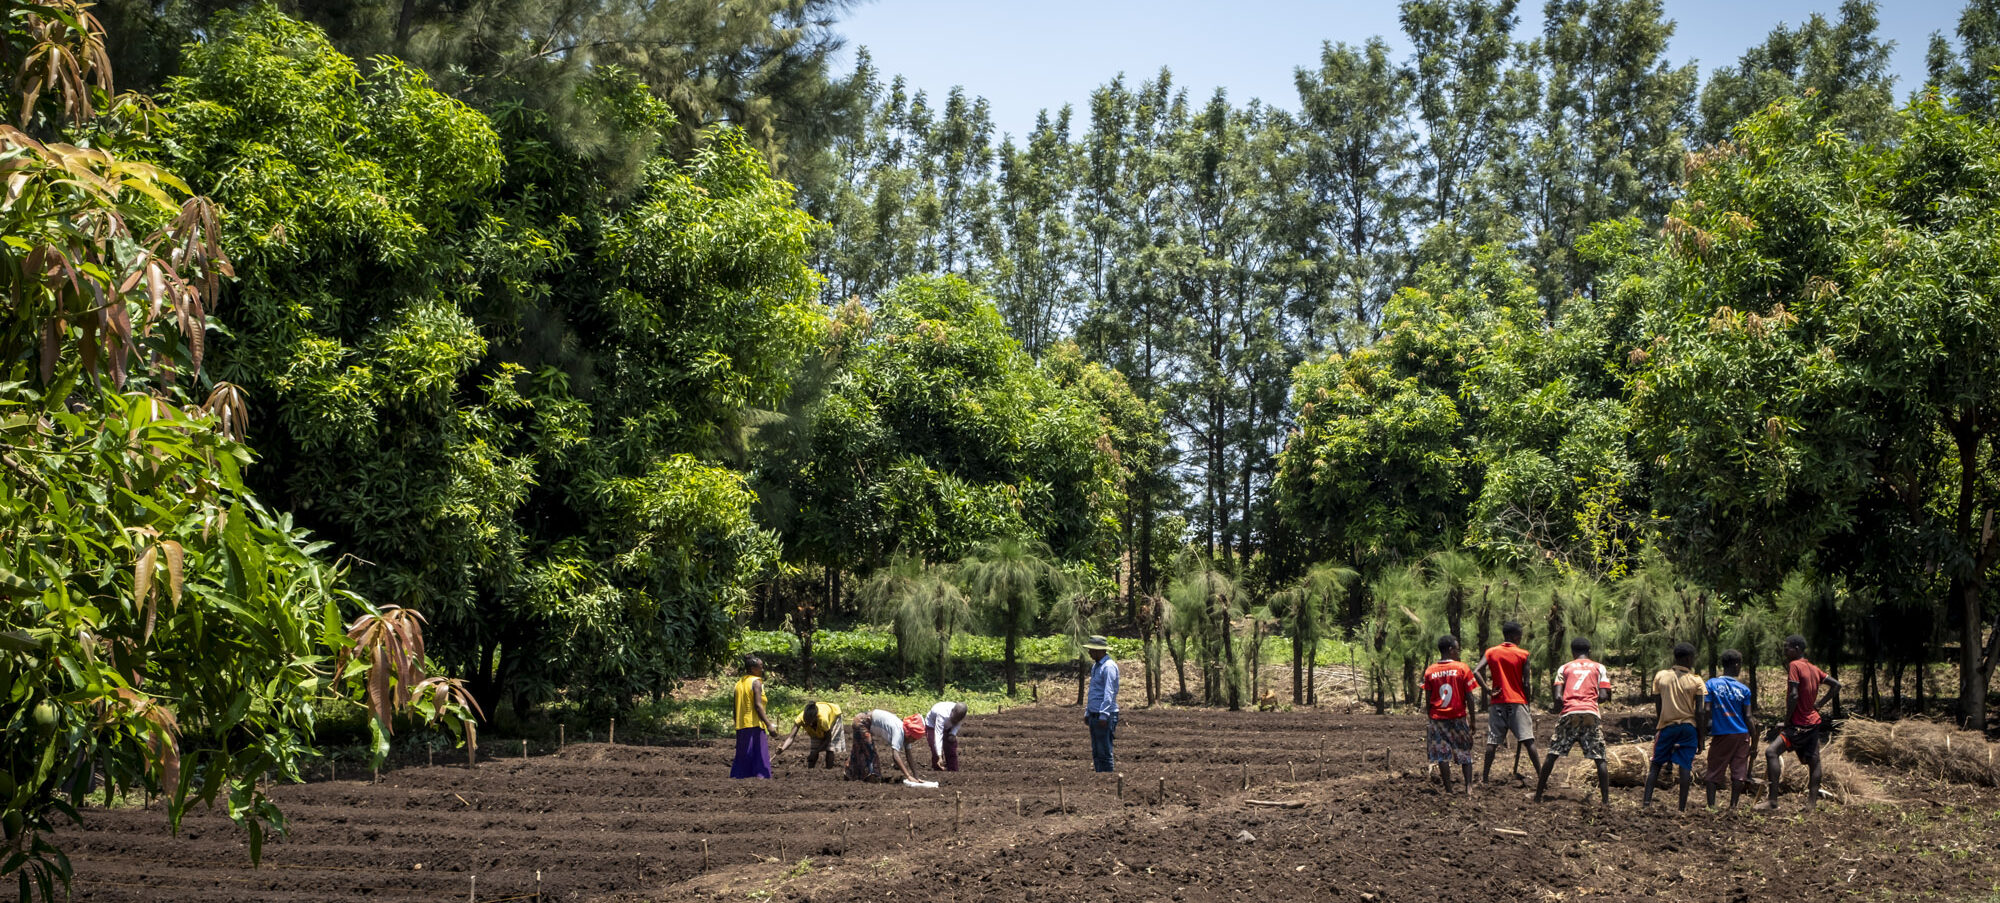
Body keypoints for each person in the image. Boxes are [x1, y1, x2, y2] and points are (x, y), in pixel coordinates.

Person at [1757, 635, 1840, 811]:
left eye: (1787, 647)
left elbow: (1794, 695)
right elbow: (1836, 685)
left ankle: (1772, 801)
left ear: (1796, 648)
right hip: (1813, 723)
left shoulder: (1795, 666)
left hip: (1798, 725)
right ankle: (1811, 804)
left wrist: (1787, 721)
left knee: (1771, 752)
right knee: (1814, 762)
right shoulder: (1813, 668)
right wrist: (1819, 705)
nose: (1785, 650)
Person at [1534, 636, 1612, 805]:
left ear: (1572, 652)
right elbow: (1604, 695)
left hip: (1569, 712)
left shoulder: (1564, 668)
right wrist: (1589, 702)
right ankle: (1606, 801)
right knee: (1600, 758)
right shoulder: (1599, 667)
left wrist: (1570, 703)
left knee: (1553, 754)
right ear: (1589, 652)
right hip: (1590, 712)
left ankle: (1538, 796)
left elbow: (1557, 696)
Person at [1643, 642, 1707, 810]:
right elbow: (1700, 712)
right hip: (1688, 727)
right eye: (1693, 658)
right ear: (1688, 658)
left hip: (1667, 726)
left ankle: (1646, 803)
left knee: (1656, 764)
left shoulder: (1661, 676)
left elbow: (1658, 703)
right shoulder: (1696, 680)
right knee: (1685, 766)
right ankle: (1681, 808)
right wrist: (1701, 738)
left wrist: (1661, 724)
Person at [1473, 621, 1539, 782]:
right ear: (1516, 636)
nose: (1521, 639)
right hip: (1517, 701)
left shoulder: (1491, 652)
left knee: (1492, 741)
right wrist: (1527, 703)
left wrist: (1488, 690)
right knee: (1528, 740)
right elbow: (1526, 683)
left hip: (1497, 702)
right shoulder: (1523, 654)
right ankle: (1540, 775)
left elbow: (1476, 671)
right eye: (1520, 636)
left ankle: (1485, 778)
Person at [1421, 635, 1482, 796]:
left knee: (1442, 754)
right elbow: (1469, 697)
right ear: (1450, 650)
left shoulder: (1430, 671)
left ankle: (1449, 789)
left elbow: (1428, 698)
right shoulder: (1462, 668)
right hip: (1458, 717)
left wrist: (1430, 717)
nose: (1457, 652)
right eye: (1456, 649)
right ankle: (1468, 788)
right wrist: (1473, 721)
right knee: (1464, 752)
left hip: (1437, 718)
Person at [1702, 649, 1757, 808]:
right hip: (1741, 734)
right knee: (1739, 771)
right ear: (1736, 664)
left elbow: (1706, 709)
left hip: (1722, 733)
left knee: (1713, 770)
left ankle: (1711, 806)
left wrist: (1705, 727)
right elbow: (1748, 716)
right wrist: (1753, 738)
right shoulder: (1744, 689)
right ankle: (1733, 806)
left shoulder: (1711, 684)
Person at [729, 656, 775, 779]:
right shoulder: (756, 682)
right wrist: (769, 724)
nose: (762, 669)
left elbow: (734, 707)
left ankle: (738, 778)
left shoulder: (739, 683)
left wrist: (736, 722)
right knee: (760, 756)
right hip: (754, 724)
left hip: (741, 724)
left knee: (743, 755)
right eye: (760, 666)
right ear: (753, 668)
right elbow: (758, 705)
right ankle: (761, 777)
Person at [845, 709, 919, 783]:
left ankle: (850, 773)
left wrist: (916, 776)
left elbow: (909, 755)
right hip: (862, 722)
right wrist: (908, 776)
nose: (913, 741)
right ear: (910, 735)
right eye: (913, 739)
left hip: (862, 720)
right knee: (870, 754)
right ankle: (871, 780)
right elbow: (895, 756)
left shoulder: (906, 733)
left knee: (859, 749)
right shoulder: (899, 731)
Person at [1084, 635, 1120, 772]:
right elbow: (1093, 691)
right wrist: (1088, 711)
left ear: (1099, 650)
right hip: (1094, 713)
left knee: (1104, 751)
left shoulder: (1109, 666)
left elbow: (1109, 692)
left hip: (1104, 715)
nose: (1089, 652)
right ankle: (1099, 779)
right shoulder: (1096, 667)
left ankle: (1107, 780)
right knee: (1096, 751)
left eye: (1091, 650)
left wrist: (1104, 715)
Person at [775, 700, 843, 769]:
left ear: (815, 718)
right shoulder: (800, 719)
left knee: (830, 748)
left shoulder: (822, 719)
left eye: (809, 722)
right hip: (819, 723)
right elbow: (791, 737)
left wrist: (816, 751)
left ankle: (829, 771)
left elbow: (828, 739)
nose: (807, 724)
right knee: (814, 748)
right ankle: (809, 771)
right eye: (806, 721)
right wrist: (782, 749)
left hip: (834, 715)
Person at [923, 701, 968, 771]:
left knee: (951, 747)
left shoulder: (961, 714)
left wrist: (953, 733)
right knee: (935, 749)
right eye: (955, 718)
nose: (956, 720)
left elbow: (957, 724)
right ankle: (938, 770)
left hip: (948, 725)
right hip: (932, 725)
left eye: (958, 719)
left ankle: (953, 770)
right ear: (952, 711)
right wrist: (940, 756)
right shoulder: (942, 714)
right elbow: (938, 735)